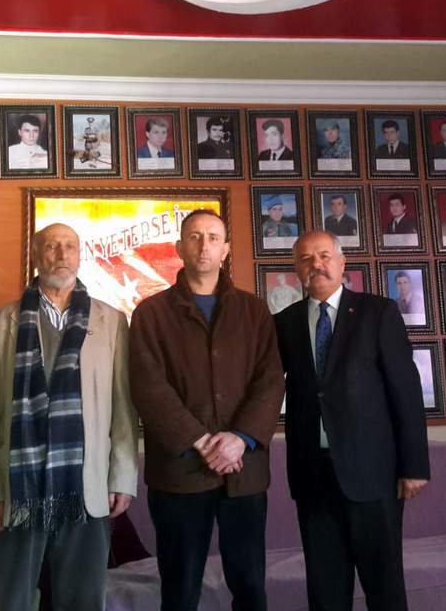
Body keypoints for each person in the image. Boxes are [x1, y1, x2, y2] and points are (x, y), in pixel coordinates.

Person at [0, 222, 137, 610]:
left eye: (70, 246)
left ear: (80, 255)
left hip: (86, 486)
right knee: (7, 601)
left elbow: (123, 408)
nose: (61, 255)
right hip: (16, 489)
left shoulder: (111, 321)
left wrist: (122, 477)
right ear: (35, 254)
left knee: (83, 601)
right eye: (51, 246)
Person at [130, 210, 284, 611]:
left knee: (250, 586)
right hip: (179, 474)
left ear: (226, 249)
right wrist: (200, 441)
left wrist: (240, 439)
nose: (204, 245)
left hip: (244, 471)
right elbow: (148, 387)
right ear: (179, 247)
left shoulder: (254, 311)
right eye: (195, 237)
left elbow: (270, 380)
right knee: (180, 590)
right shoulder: (150, 313)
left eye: (213, 237)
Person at [274, 230, 428, 611]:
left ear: (342, 263)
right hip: (313, 477)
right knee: (325, 592)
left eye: (324, 256)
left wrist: (414, 466)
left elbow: (406, 390)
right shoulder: (285, 323)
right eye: (306, 259)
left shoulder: (378, 312)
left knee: (384, 588)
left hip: (374, 475)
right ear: (297, 270)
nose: (316, 265)